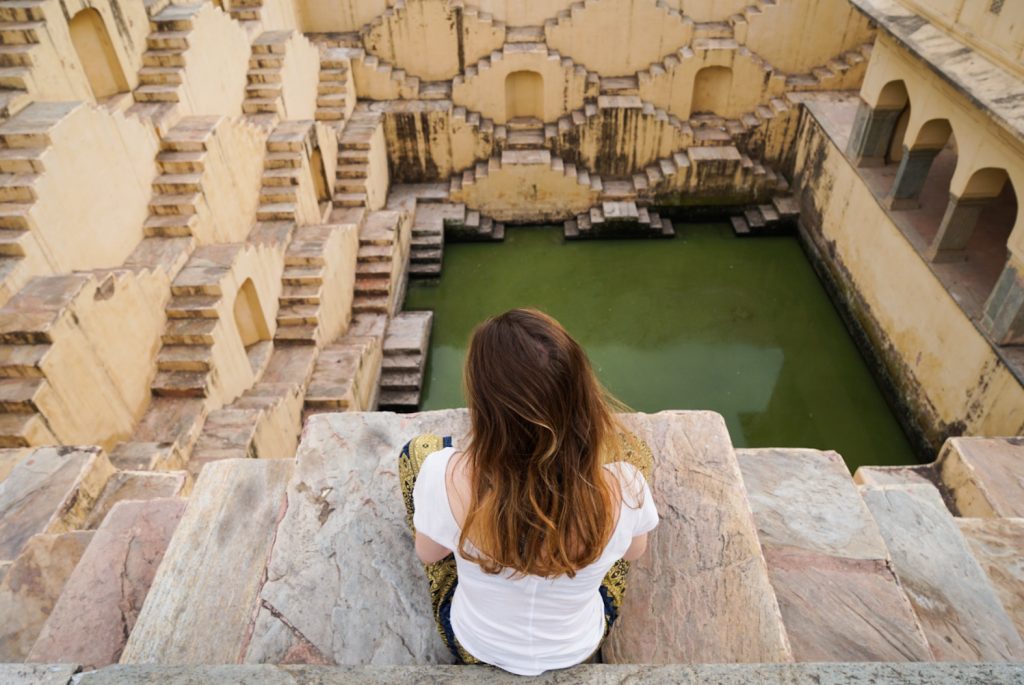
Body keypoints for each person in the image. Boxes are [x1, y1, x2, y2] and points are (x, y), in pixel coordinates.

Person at [398, 308, 658, 675]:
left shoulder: (444, 474)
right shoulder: (625, 486)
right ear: (581, 394)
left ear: (484, 404)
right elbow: (634, 551)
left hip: (474, 646)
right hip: (576, 647)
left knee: (418, 451)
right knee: (635, 452)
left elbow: (429, 554)